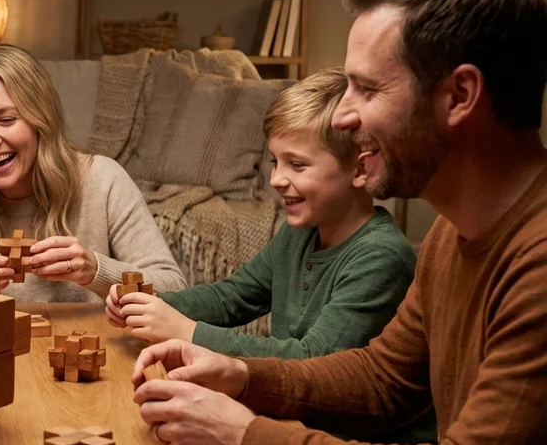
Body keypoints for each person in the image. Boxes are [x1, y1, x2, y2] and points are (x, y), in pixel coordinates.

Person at [132, 0, 547, 445]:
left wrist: (247, 440)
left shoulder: (537, 258)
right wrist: (243, 374)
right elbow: (383, 379)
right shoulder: (449, 235)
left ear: (460, 94)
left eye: (368, 87)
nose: (345, 116)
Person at [107, 69, 416, 358]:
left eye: (297, 164)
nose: (276, 180)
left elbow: (312, 359)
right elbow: (231, 298)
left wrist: (187, 332)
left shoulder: (381, 257)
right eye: (275, 162)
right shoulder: (298, 234)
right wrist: (151, 304)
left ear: (360, 169)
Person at [0, 44, 186, 301]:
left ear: (41, 121)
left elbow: (175, 290)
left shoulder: (102, 181)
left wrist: (96, 270)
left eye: (7, 120)